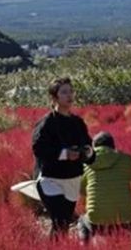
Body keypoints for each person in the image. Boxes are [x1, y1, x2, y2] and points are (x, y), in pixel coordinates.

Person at [31, 77, 95, 239]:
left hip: (73, 179)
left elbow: (88, 145)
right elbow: (39, 148)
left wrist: (87, 153)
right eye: (64, 92)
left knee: (63, 224)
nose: (69, 95)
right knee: (60, 220)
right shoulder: (46, 123)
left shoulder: (78, 123)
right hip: (49, 180)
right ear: (54, 97)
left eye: (71, 91)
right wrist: (65, 154)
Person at [78, 131, 131, 242]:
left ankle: (84, 245)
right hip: (125, 219)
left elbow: (81, 190)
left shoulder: (86, 163)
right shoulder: (126, 159)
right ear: (113, 146)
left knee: (82, 222)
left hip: (97, 220)